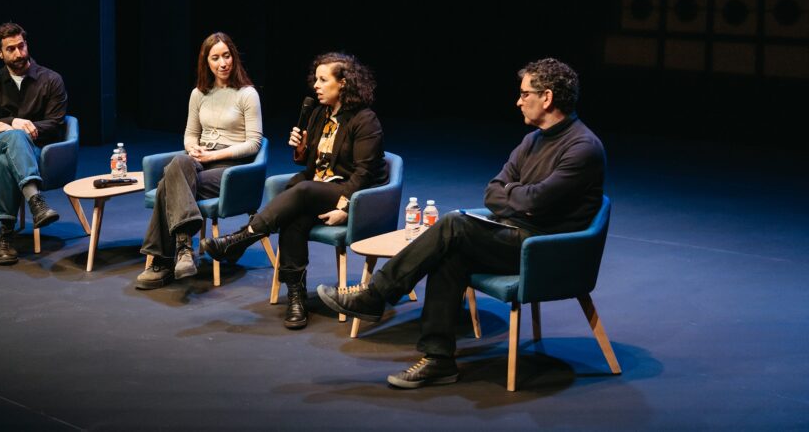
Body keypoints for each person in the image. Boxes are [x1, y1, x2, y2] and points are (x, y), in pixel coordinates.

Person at [317, 58, 605, 388]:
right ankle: (439, 359)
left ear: (548, 97)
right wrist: (519, 195)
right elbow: (493, 192)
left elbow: (535, 201)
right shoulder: (532, 141)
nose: (518, 100)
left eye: (525, 94)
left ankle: (376, 294)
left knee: (454, 225)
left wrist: (518, 196)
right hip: (514, 233)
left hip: (546, 249)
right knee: (450, 253)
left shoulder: (583, 147)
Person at [201, 52, 387, 329]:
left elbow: (364, 173)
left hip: (350, 193)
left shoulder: (365, 120)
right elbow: (311, 164)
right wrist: (301, 149)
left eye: (324, 80)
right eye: (316, 79)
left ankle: (243, 236)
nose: (316, 85)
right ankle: (296, 296)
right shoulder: (319, 114)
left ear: (344, 84)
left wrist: (344, 208)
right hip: (318, 191)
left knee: (302, 191)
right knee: (293, 217)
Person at [135, 32, 263, 289]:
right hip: (201, 161)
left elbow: (254, 144)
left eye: (226, 56)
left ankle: (163, 260)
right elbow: (190, 135)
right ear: (206, 62)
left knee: (167, 184)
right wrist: (193, 149)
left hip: (231, 168)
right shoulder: (199, 94)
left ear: (234, 57)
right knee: (179, 163)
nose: (222, 63)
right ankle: (182, 247)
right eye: (215, 58)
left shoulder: (247, 94)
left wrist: (213, 155)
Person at [0, 22, 67, 266]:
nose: (19, 53)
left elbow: (57, 123)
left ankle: (6, 233)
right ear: (0, 53)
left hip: (35, 152)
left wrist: (27, 128)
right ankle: (36, 202)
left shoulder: (51, 80)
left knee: (10, 159)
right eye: (11, 49)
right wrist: (13, 122)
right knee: (12, 139)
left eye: (22, 46)